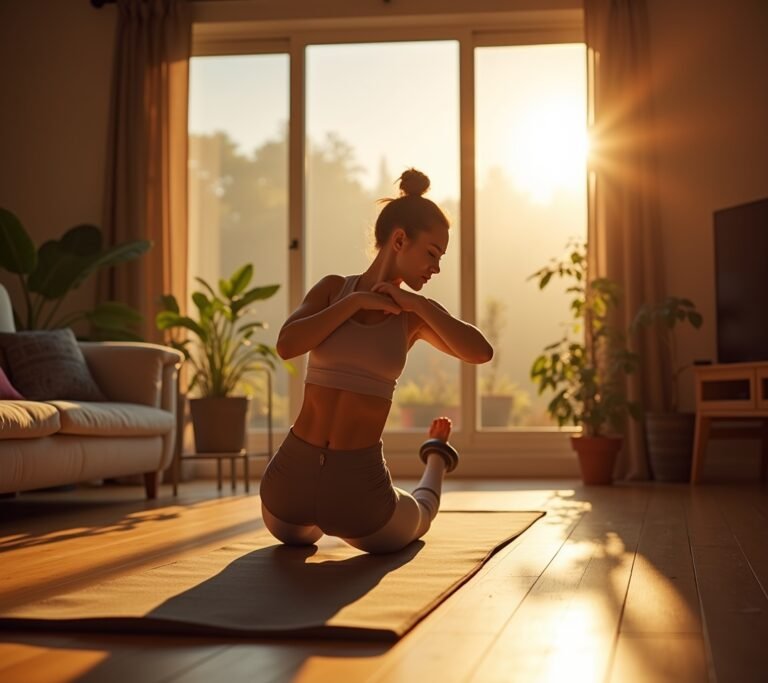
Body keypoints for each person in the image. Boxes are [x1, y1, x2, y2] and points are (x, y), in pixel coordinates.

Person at [259, 168, 493, 554]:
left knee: (420, 512)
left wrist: (418, 303)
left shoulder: (413, 316)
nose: (436, 267)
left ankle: (436, 455)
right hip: (288, 483)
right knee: (304, 533)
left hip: (359, 493)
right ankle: (435, 453)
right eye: (432, 253)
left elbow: (480, 352)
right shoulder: (334, 290)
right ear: (400, 239)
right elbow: (287, 344)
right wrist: (354, 302)